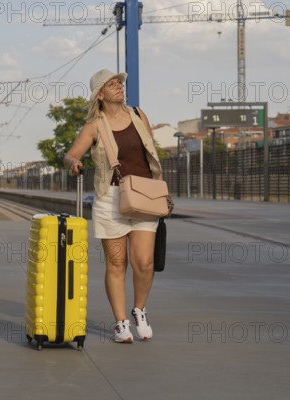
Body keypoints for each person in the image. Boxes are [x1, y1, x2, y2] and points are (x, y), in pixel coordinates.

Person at [64, 69, 173, 343]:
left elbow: (151, 154)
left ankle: (139, 310)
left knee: (144, 263)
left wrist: (163, 188)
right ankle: (121, 323)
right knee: (116, 262)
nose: (118, 87)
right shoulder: (93, 126)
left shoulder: (138, 115)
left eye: (119, 83)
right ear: (100, 94)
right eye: (111, 85)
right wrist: (74, 164)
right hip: (110, 198)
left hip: (144, 194)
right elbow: (72, 154)